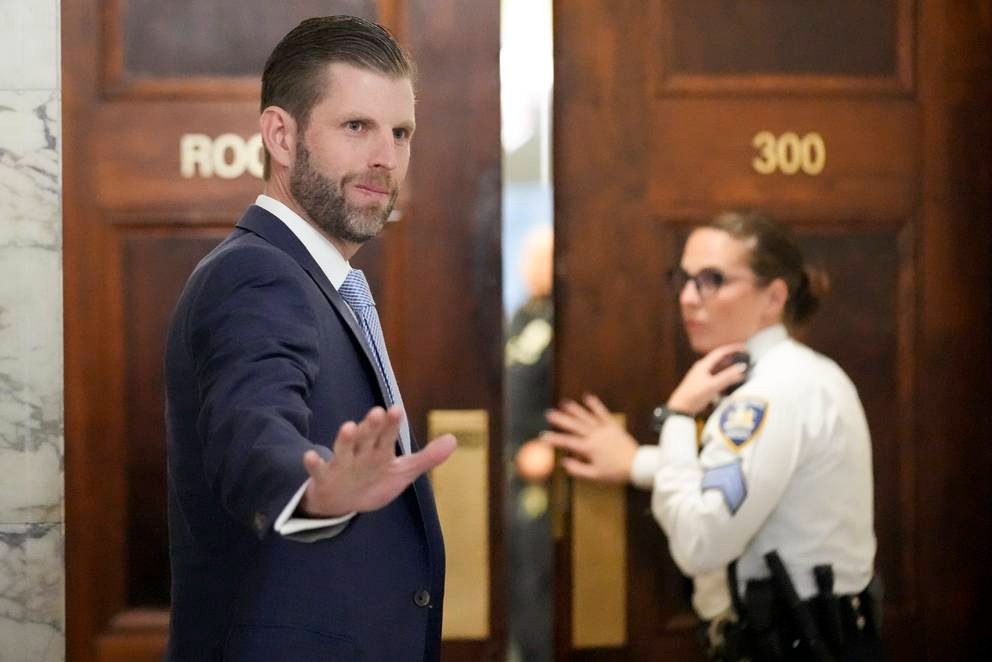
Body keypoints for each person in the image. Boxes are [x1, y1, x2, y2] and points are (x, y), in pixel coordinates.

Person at [164, 16, 456, 661]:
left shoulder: (314, 278)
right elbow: (251, 426)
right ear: (282, 136)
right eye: (357, 127)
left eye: (400, 132)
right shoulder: (258, 275)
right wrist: (312, 491)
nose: (385, 156)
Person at [545, 212, 882, 661]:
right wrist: (639, 463)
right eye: (683, 279)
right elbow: (758, 477)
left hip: (791, 641)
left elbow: (699, 543)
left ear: (774, 296)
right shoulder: (804, 374)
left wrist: (679, 415)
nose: (688, 297)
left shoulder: (768, 393)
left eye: (712, 280)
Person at [504, 225, 554, 662]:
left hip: (547, 478)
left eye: (542, 258)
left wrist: (552, 447)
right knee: (516, 576)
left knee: (540, 579)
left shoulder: (568, 319)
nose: (532, 267)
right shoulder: (521, 315)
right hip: (508, 470)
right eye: (529, 257)